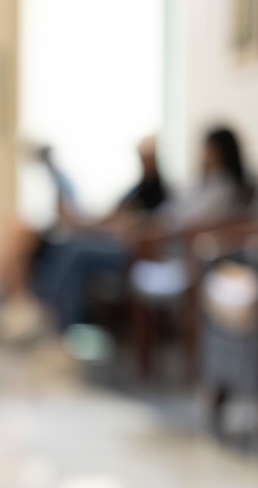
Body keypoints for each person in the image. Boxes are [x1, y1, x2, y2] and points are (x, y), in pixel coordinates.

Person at [43, 126, 253, 334]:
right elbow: (167, 216)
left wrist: (147, 229)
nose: (201, 154)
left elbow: (186, 225)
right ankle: (57, 323)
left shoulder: (222, 188)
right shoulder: (199, 185)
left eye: (206, 148)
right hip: (149, 239)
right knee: (73, 245)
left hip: (161, 250)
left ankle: (53, 325)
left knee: (77, 250)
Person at [0, 138, 166, 342]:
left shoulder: (159, 193)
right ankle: (44, 317)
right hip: (108, 240)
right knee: (58, 247)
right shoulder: (136, 189)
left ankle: (48, 314)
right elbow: (112, 218)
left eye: (147, 158)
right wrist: (85, 224)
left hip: (131, 252)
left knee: (76, 250)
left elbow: (141, 227)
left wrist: (111, 226)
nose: (143, 162)